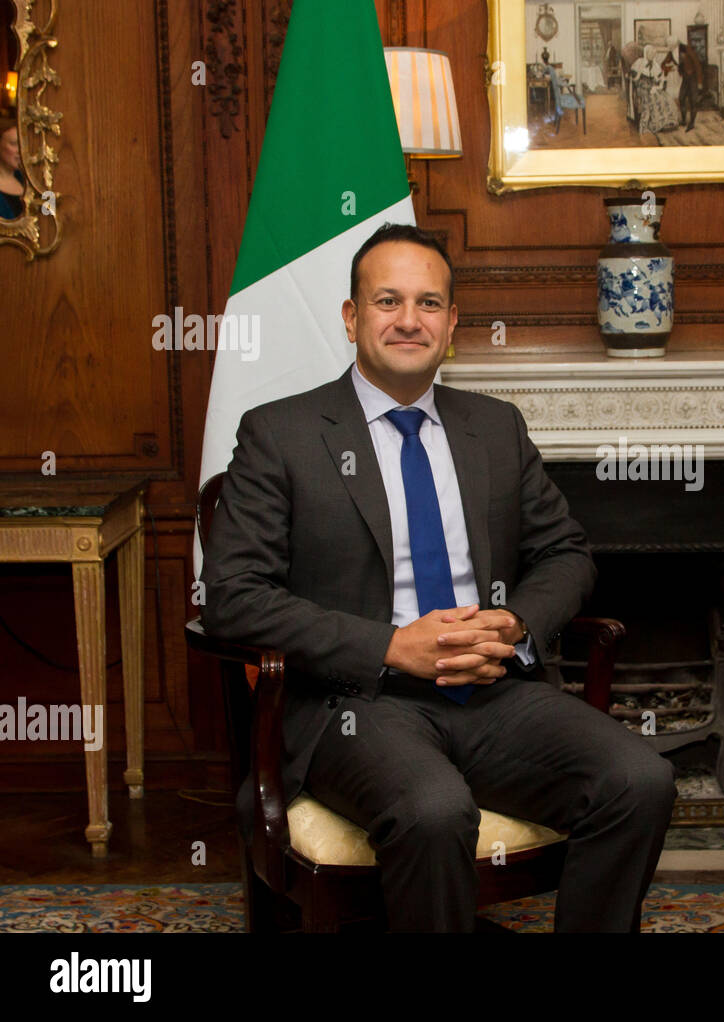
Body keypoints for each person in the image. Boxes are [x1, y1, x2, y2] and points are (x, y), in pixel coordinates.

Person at [200, 223, 677, 932]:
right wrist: (390, 647)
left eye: (428, 303)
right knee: (432, 808)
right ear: (351, 316)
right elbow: (233, 599)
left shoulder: (494, 427)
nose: (408, 319)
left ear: (452, 323)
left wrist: (512, 624)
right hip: (356, 704)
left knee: (641, 780)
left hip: (494, 693)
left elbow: (567, 554)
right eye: (387, 300)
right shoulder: (283, 434)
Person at [0, 121, 26, 220]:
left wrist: (48, 189)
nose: (20, 150)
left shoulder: (28, 179)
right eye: (14, 144)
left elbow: (48, 214)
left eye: (23, 144)